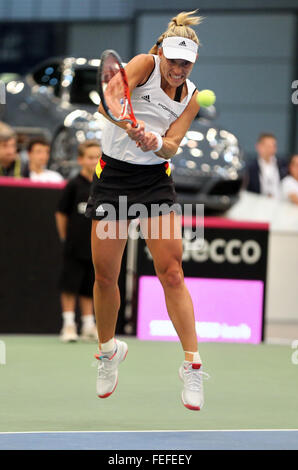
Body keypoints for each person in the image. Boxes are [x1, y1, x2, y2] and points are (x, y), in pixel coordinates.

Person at [85, 10, 209, 411]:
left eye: (185, 63)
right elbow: (110, 102)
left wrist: (154, 141)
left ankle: (192, 365)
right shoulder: (143, 63)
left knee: (171, 271)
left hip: (155, 182)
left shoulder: (191, 96)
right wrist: (126, 121)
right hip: (114, 179)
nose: (177, 68)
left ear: (192, 63)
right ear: (163, 51)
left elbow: (173, 144)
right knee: (106, 276)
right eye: (173, 60)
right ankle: (108, 352)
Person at [55, 140, 101, 342]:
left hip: (96, 247)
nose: (95, 161)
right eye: (91, 157)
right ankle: (68, 324)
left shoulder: (103, 186)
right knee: (69, 286)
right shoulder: (74, 185)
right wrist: (66, 237)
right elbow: (61, 213)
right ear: (81, 160)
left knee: (90, 286)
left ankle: (89, 324)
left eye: (98, 157)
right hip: (74, 246)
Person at [246, 133, 287, 198]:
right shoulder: (250, 167)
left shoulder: (283, 165)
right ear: (258, 146)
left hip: (280, 202)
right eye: (267, 146)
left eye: (273, 146)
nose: (270, 149)